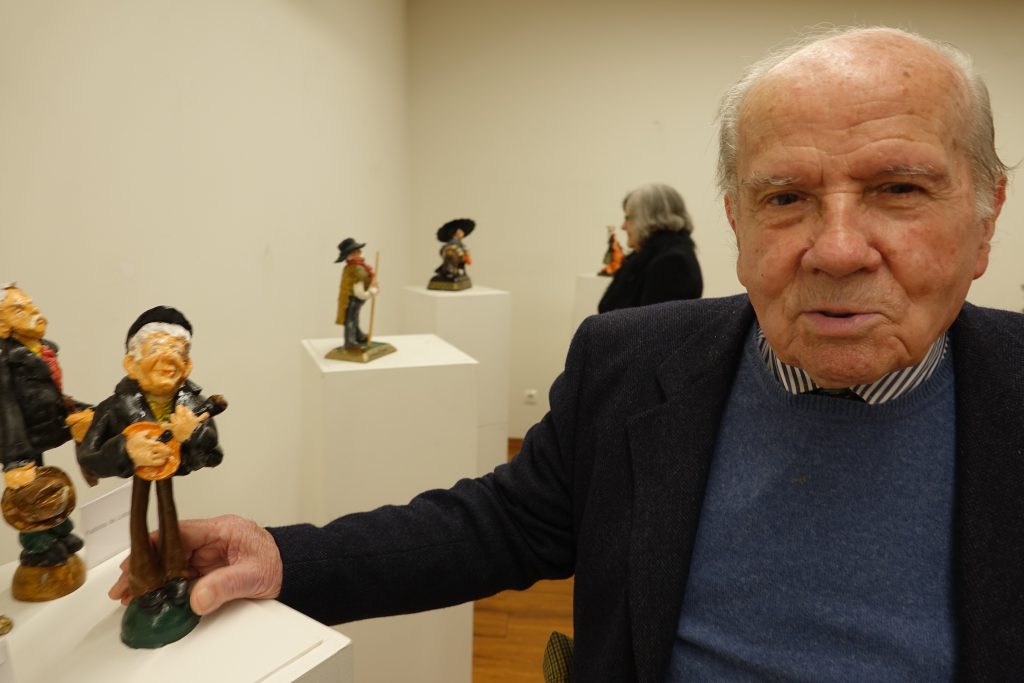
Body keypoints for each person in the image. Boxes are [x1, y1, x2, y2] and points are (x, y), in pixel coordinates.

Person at [109, 27, 1023, 680]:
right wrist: (287, 557)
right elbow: (501, 523)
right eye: (785, 198)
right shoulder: (629, 364)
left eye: (899, 189)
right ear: (737, 222)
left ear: (986, 217)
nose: (837, 248)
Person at [79, 306, 224, 648]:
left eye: (177, 351)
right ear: (131, 363)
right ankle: (144, 583)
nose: (168, 358)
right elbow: (89, 456)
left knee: (169, 513)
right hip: (140, 476)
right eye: (157, 348)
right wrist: (126, 450)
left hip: (168, 475)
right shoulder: (114, 408)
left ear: (187, 365)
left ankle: (176, 574)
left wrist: (192, 436)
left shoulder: (193, 404)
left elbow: (213, 454)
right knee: (138, 519)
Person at [0, 283, 89, 599]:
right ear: (2, 324)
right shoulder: (5, 359)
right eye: (19, 309)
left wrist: (76, 410)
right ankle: (37, 545)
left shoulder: (42, 348)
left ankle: (58, 531)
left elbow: (49, 394)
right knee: (28, 492)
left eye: (31, 304)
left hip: (41, 430)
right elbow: (6, 407)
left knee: (45, 484)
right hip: (19, 439)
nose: (34, 312)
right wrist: (15, 459)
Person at [597, 182, 702, 313]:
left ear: (649, 219)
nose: (623, 226)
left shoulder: (671, 263)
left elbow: (652, 322)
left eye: (628, 218)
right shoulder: (646, 255)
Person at [334, 237, 379, 350]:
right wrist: (372, 292)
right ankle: (350, 342)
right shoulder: (356, 269)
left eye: (358, 250)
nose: (359, 252)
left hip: (353, 299)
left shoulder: (355, 267)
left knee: (354, 318)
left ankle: (358, 336)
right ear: (351, 254)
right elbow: (359, 293)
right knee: (351, 320)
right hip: (353, 299)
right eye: (356, 251)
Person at [428, 218, 474, 290]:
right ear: (455, 233)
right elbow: (451, 250)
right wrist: (460, 253)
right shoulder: (452, 243)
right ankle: (450, 271)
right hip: (452, 258)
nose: (462, 233)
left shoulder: (459, 243)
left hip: (459, 258)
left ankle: (453, 271)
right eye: (460, 232)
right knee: (451, 259)